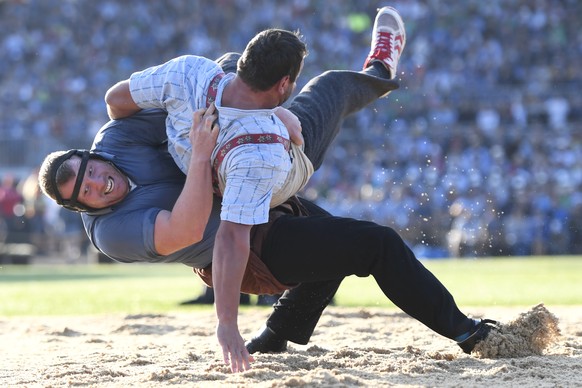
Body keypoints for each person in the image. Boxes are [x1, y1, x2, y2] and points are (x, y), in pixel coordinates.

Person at [38, 7, 498, 373]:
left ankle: (276, 336)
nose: (97, 182)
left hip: (251, 181)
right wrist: (226, 325)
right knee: (374, 244)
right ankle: (468, 333)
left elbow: (121, 100)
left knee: (330, 234)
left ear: (91, 154)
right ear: (79, 206)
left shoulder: (121, 135)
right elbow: (203, 230)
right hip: (244, 248)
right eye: (86, 191)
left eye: (90, 170)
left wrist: (259, 111)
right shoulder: (112, 233)